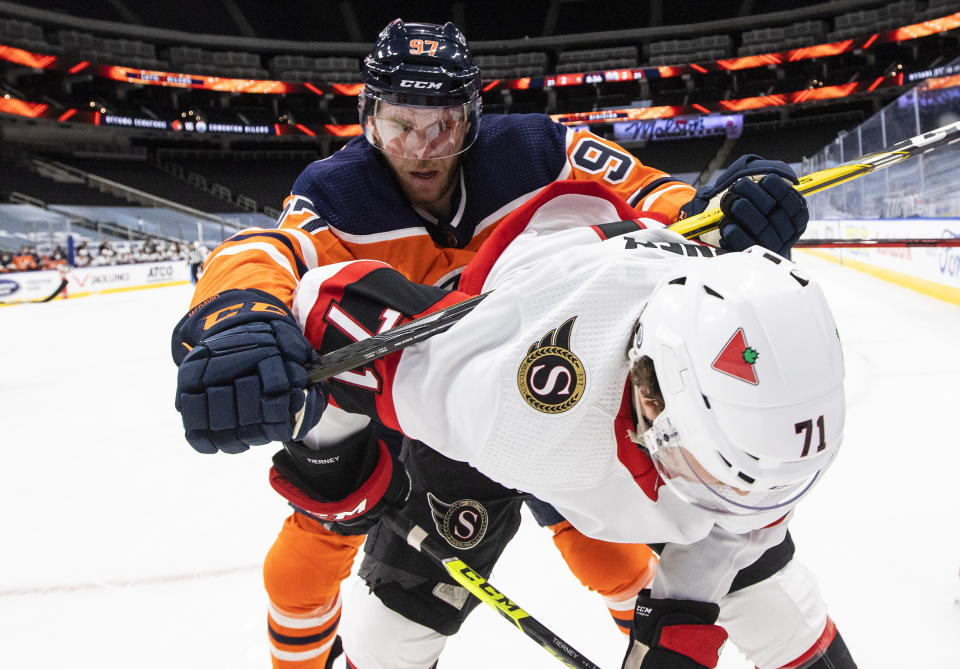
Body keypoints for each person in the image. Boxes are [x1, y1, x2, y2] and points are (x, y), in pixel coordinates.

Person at [171, 19, 810, 668]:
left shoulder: (536, 149)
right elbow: (267, 251)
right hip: (423, 412)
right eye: (398, 125)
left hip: (565, 390)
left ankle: (649, 631)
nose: (420, 150)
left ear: (471, 119)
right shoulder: (335, 191)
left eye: (441, 126)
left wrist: (721, 206)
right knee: (309, 562)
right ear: (367, 118)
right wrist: (238, 316)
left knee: (611, 557)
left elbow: (652, 194)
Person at [270, 180, 856, 668]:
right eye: (710, 475)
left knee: (777, 608)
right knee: (390, 643)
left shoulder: (769, 408)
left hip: (592, 338)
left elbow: (745, 518)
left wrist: (678, 623)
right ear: (650, 402)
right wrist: (334, 470)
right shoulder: (493, 395)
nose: (725, 506)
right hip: (519, 383)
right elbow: (325, 307)